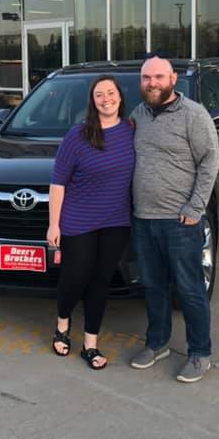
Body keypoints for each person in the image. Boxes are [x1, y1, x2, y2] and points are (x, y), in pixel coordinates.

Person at [129, 56, 219, 383]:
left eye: (158, 77)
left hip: (180, 222)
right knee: (153, 286)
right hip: (143, 219)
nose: (151, 83)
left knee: (189, 289)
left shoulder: (193, 114)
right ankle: (157, 344)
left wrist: (195, 208)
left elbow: (210, 160)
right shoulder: (138, 115)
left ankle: (200, 353)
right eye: (146, 78)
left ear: (172, 79)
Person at [47, 76, 135, 369]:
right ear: (93, 101)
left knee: (100, 281)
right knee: (76, 277)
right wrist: (54, 225)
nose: (106, 98)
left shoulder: (131, 131)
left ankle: (90, 345)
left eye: (111, 92)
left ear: (120, 96)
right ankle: (62, 324)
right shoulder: (78, 135)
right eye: (99, 94)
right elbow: (58, 183)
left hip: (116, 221)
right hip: (78, 220)